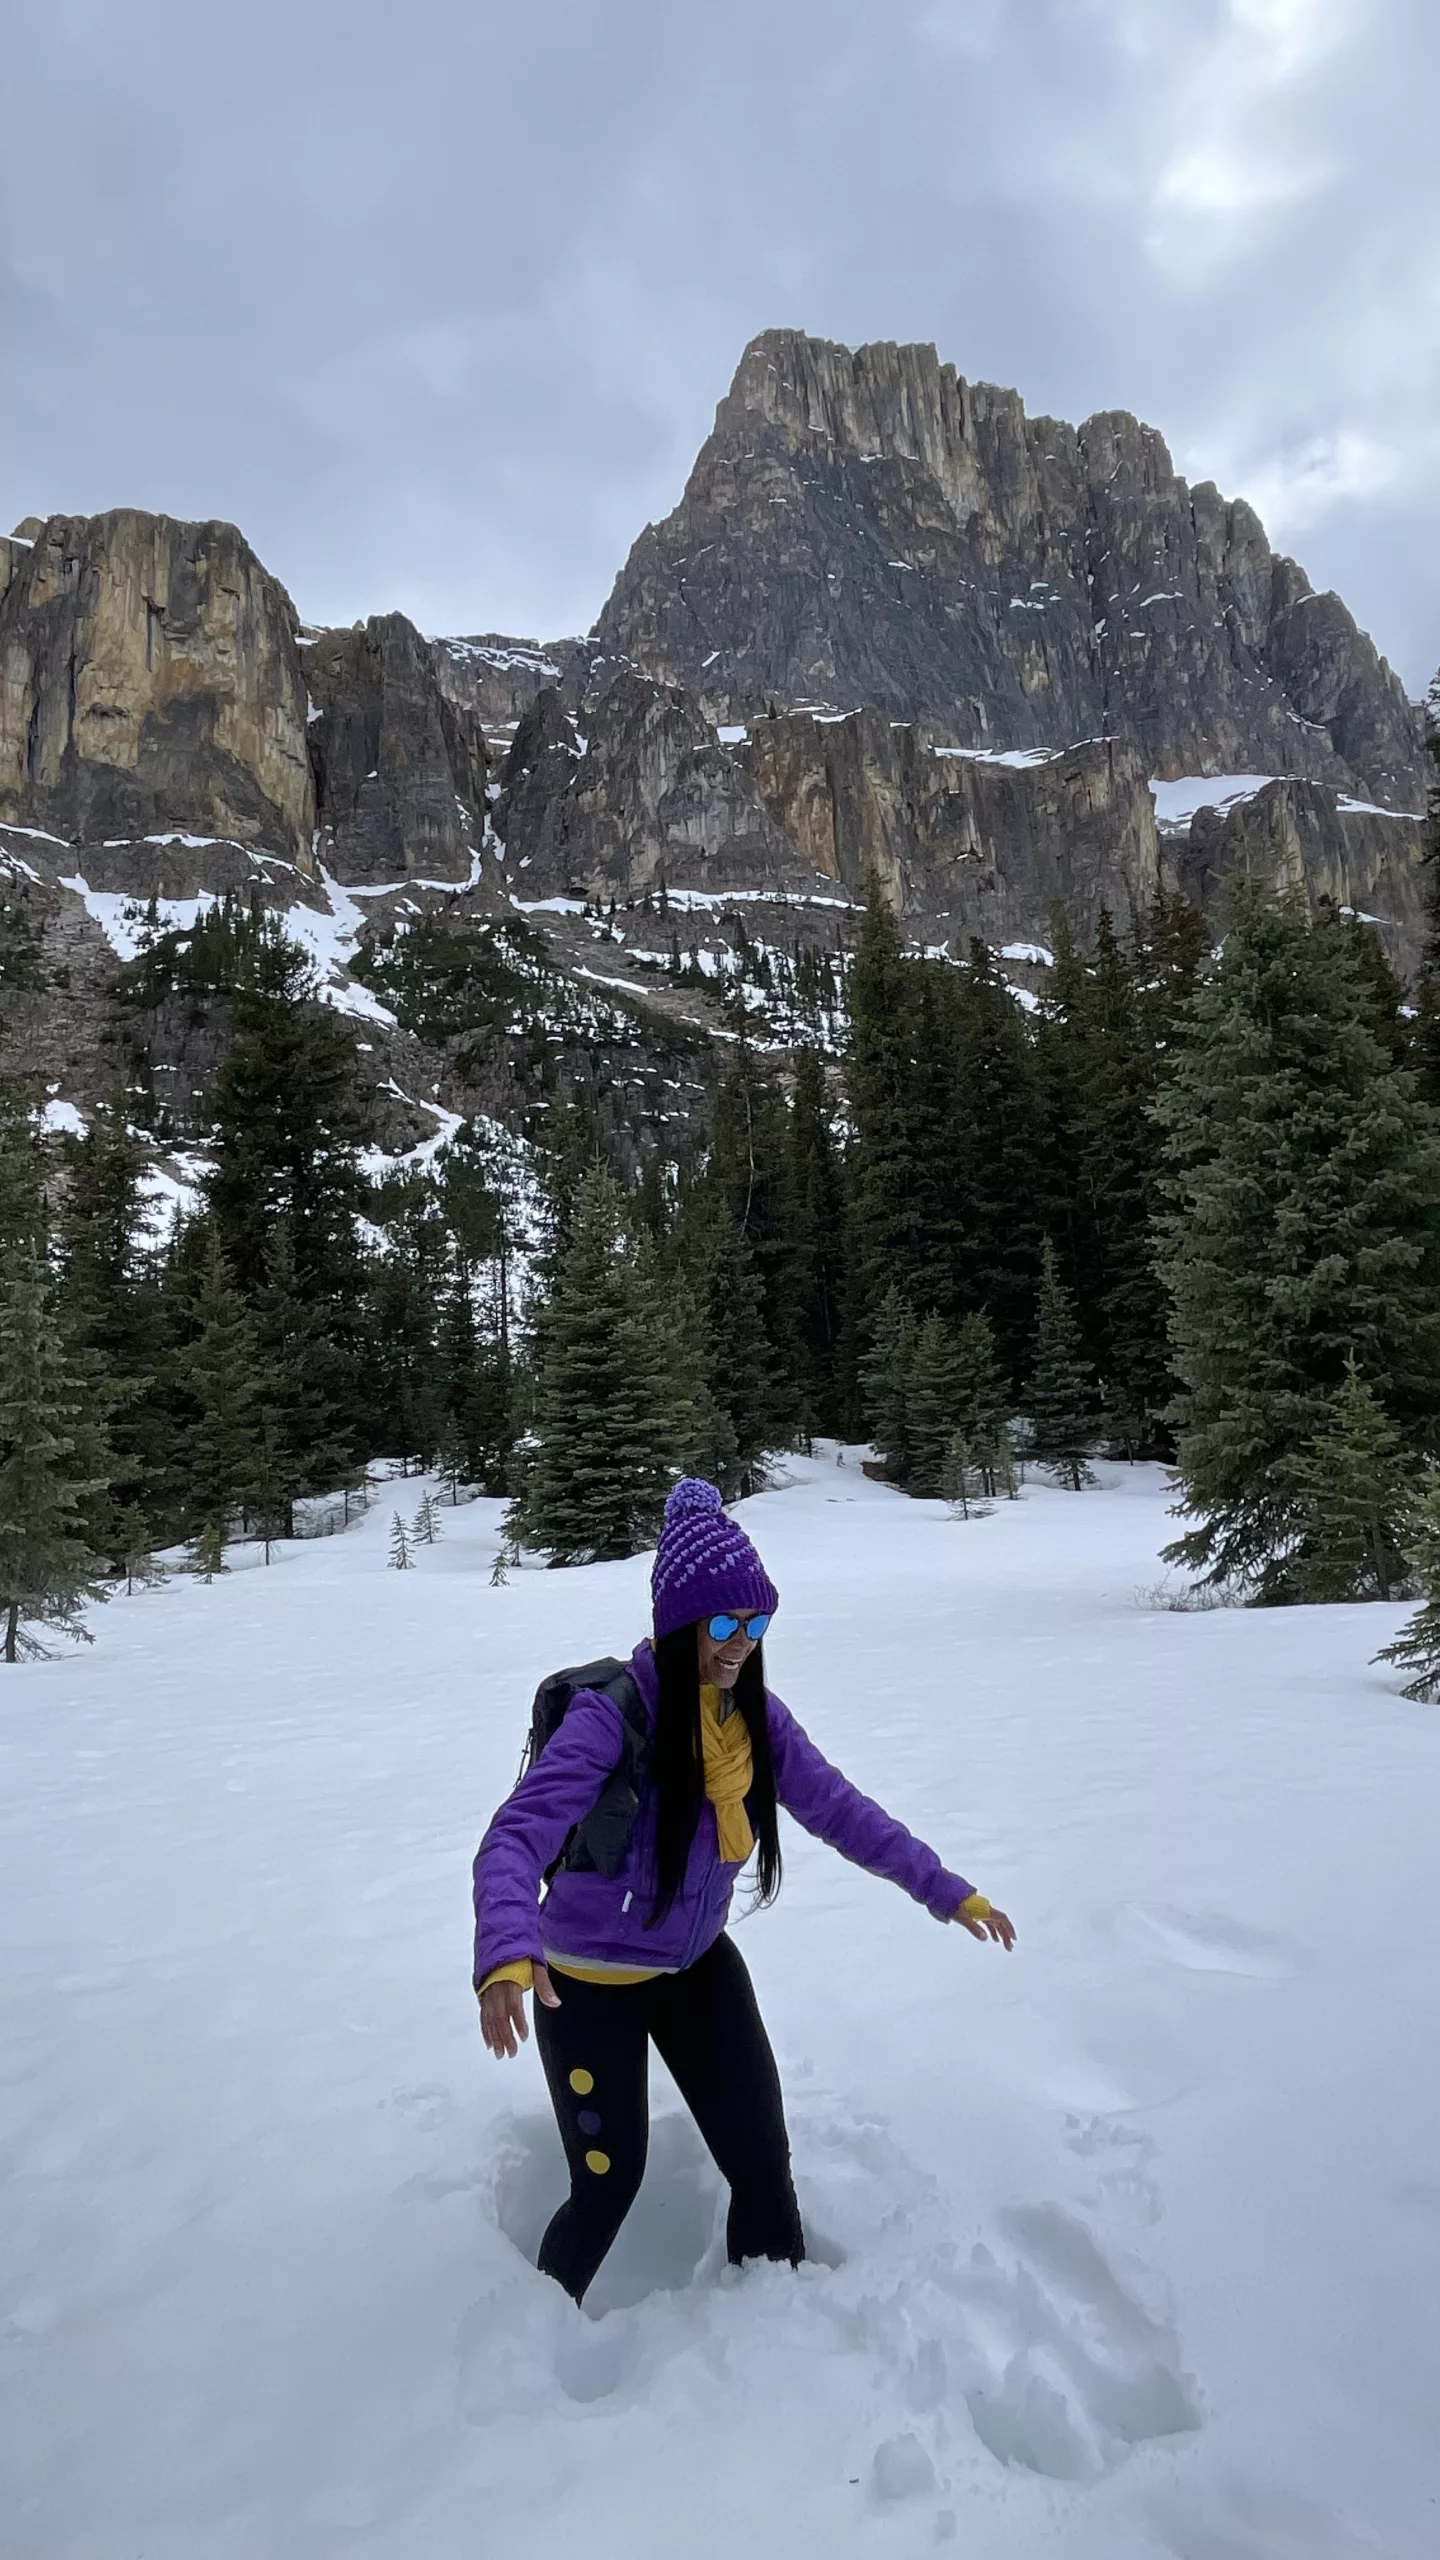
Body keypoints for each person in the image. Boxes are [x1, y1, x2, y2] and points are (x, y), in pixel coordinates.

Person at [473, 1477, 1014, 2304]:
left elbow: (840, 1809)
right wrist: (508, 1948)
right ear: (678, 1621)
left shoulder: (753, 1717)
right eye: (723, 1624)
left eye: (756, 1625)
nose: (740, 1645)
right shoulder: (610, 1720)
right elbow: (515, 1837)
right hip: (584, 1986)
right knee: (608, 2187)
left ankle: (781, 2337)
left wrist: (945, 1890)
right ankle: (529, 2341)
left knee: (764, 2164)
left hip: (695, 1968)